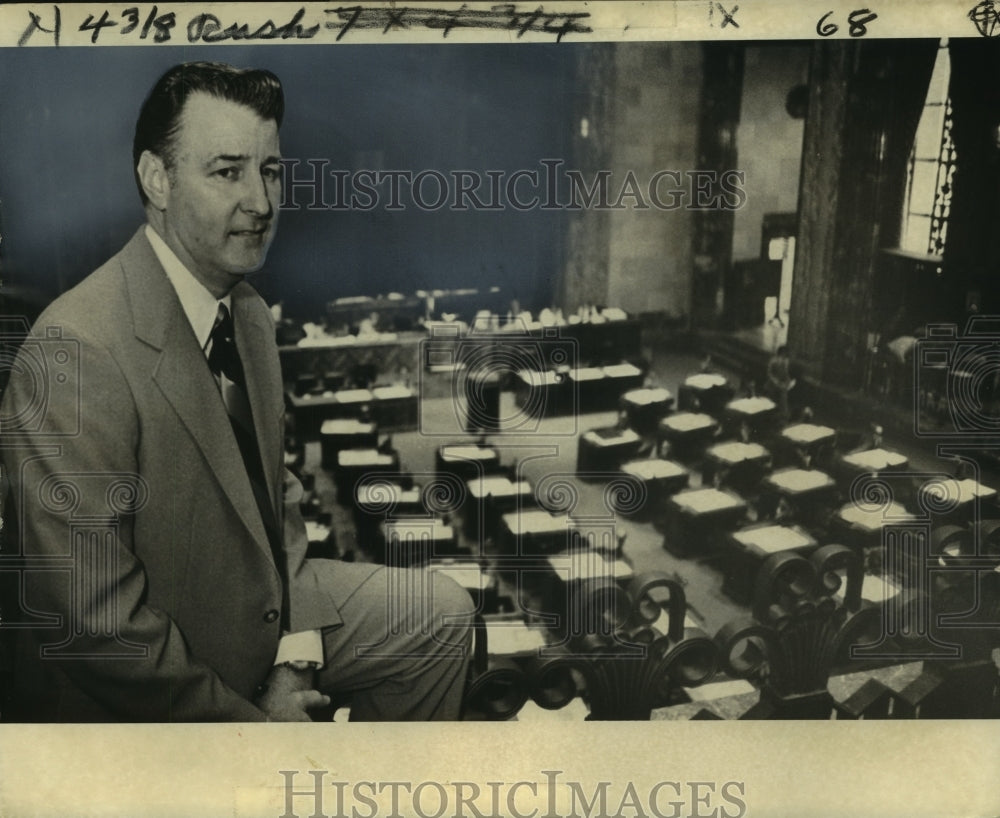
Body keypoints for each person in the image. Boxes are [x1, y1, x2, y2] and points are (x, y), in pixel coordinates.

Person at [0, 62, 473, 722]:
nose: (261, 201)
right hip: (145, 665)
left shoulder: (246, 313)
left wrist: (297, 654)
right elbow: (96, 628)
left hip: (256, 603)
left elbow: (277, 503)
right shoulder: (73, 350)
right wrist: (255, 729)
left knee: (443, 617)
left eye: (270, 170)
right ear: (156, 179)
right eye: (227, 172)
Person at [765, 344, 796, 422]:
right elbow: (770, 374)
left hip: (781, 383)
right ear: (780, 353)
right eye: (784, 354)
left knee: (783, 393)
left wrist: (789, 381)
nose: (785, 356)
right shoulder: (773, 361)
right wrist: (776, 381)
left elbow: (786, 373)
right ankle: (773, 413)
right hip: (772, 383)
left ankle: (784, 414)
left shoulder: (786, 361)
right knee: (772, 398)